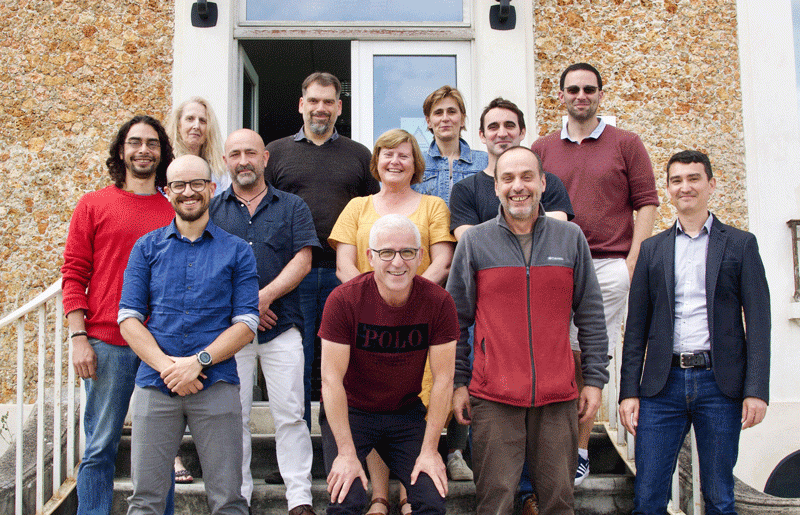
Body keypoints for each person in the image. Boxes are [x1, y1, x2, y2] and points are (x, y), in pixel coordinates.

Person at [447, 146, 609, 515]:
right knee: (495, 503)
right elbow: (455, 319)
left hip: (557, 396)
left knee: (558, 502)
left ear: (543, 183)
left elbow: (591, 314)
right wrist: (458, 382)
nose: (517, 186)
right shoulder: (474, 242)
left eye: (526, 177)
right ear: (496, 187)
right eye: (507, 178)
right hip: (493, 394)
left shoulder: (570, 238)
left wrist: (595, 380)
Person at [619, 150, 771, 515]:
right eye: (676, 180)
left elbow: (759, 322)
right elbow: (635, 327)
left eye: (693, 179)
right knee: (648, 497)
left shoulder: (740, 244)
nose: (684, 187)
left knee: (719, 496)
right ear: (668, 189)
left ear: (711, 185)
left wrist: (756, 390)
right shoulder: (652, 250)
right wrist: (628, 392)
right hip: (662, 386)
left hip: (720, 385)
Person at [531, 63, 659, 485]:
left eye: (589, 89)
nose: (581, 96)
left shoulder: (626, 142)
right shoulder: (543, 147)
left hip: (607, 264)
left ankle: (580, 448)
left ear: (601, 94)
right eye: (573, 89)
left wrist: (633, 261)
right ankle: (558, 443)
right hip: (555, 264)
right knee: (557, 353)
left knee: (585, 353)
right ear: (561, 96)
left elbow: (646, 202)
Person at [119, 154, 259, 515]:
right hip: (155, 384)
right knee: (145, 501)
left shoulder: (238, 251)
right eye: (178, 185)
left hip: (216, 384)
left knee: (228, 500)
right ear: (167, 192)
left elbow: (246, 324)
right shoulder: (146, 248)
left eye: (197, 183)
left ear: (212, 188)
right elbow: (129, 319)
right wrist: (171, 368)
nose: (188, 192)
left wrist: (198, 363)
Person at [328, 129, 456, 515]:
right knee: (346, 500)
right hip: (355, 410)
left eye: (407, 253)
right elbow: (330, 380)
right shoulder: (343, 301)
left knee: (429, 500)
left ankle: (406, 494)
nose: (397, 261)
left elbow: (445, 381)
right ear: (371, 255)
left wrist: (431, 451)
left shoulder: (438, 303)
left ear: (419, 255)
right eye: (386, 253)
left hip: (405, 409)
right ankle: (378, 497)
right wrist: (376, 297)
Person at [62, 115, 175, 515]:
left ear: (162, 153)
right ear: (121, 151)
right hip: (106, 342)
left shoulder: (173, 209)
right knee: (99, 446)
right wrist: (79, 337)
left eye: (152, 143)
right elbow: (74, 274)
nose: (144, 150)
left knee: (159, 452)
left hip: (161, 347)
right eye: (135, 142)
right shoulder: (93, 204)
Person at [210, 129, 320, 515]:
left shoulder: (292, 206)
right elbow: (206, 265)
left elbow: (303, 259)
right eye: (235, 154)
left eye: (251, 153)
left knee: (291, 412)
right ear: (226, 160)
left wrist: (263, 297)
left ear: (265, 158)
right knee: (234, 415)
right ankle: (238, 496)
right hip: (230, 332)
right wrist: (244, 308)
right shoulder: (212, 210)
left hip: (282, 324)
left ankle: (299, 497)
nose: (243, 160)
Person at [265, 72, 380, 429]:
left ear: (339, 107)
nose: (320, 108)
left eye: (328, 101)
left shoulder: (359, 155)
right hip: (292, 276)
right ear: (301, 105)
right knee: (295, 362)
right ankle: (297, 445)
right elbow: (263, 212)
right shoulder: (276, 153)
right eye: (313, 100)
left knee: (341, 362)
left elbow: (373, 212)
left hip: (342, 274)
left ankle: (336, 443)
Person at [450, 97, 574, 239]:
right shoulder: (464, 190)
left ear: (522, 132)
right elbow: (469, 241)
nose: (502, 133)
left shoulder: (548, 182)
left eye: (509, 126)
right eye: (493, 127)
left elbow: (557, 231)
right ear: (482, 135)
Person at [412, 85, 488, 205]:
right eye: (438, 113)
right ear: (429, 121)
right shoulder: (416, 163)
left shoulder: (485, 162)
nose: (445, 118)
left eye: (451, 112)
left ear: (462, 119)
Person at [166, 96, 230, 196]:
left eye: (202, 121)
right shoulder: (165, 165)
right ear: (178, 125)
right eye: (190, 119)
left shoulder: (219, 170)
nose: (196, 126)